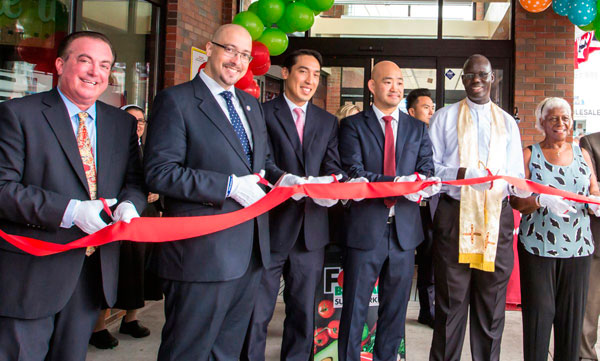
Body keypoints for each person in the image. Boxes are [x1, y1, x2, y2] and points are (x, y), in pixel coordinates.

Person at [0, 31, 146, 361]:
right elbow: (2, 189)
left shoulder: (121, 124)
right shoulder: (19, 114)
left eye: (105, 65)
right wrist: (70, 211)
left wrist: (129, 206)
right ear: (60, 64)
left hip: (90, 276)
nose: (95, 71)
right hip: (31, 274)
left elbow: (134, 184)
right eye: (85, 60)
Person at [144, 24, 279, 361]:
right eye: (230, 50)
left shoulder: (251, 106)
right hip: (200, 256)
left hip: (250, 254)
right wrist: (228, 186)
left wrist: (291, 181)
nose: (237, 60)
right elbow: (160, 173)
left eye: (245, 55)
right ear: (209, 48)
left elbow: (262, 166)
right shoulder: (176, 101)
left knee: (227, 352)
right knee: (187, 351)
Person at [243, 49, 344, 361]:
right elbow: (260, 161)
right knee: (257, 312)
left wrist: (333, 184)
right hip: (270, 229)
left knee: (303, 314)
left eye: (315, 75)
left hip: (311, 232)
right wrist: (286, 180)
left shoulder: (327, 121)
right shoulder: (260, 113)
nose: (310, 80)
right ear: (285, 73)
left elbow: (333, 165)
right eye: (303, 72)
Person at [428, 54, 529, 361]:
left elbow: (515, 175)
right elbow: (431, 169)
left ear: (492, 78)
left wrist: (527, 190)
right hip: (455, 215)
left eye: (482, 75)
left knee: (491, 302)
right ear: (462, 79)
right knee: (450, 303)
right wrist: (463, 174)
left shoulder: (508, 123)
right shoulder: (444, 117)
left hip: (496, 217)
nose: (476, 81)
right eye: (470, 75)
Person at [338, 60, 440, 361]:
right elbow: (353, 171)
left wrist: (423, 182)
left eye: (399, 82)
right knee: (354, 311)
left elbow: (426, 169)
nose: (395, 87)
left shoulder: (418, 128)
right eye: (387, 81)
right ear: (372, 86)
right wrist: (396, 183)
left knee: (394, 314)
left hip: (404, 234)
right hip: (364, 230)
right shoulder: (353, 126)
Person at [511, 97, 600, 361]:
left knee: (571, 321)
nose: (560, 123)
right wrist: (539, 200)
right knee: (539, 316)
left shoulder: (582, 153)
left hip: (579, 247)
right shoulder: (529, 154)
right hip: (538, 248)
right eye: (553, 118)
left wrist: (596, 203)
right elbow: (515, 200)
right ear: (541, 123)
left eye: (565, 118)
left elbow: (593, 189)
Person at [89, 104, 162, 349]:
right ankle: (99, 326)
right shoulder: (111, 148)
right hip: (116, 219)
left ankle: (131, 318)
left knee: (139, 271)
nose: (137, 125)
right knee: (113, 272)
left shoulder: (149, 148)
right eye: (132, 120)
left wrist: (156, 195)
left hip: (145, 217)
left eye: (141, 121)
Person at [406, 88, 436, 328]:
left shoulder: (434, 134)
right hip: (406, 207)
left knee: (429, 260)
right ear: (411, 111)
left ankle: (427, 311)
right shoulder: (404, 136)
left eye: (432, 107)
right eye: (425, 107)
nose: (431, 111)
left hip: (429, 208)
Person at [580, 131, 600, 361]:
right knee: (589, 308)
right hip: (597, 240)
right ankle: (585, 356)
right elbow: (589, 188)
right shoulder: (591, 142)